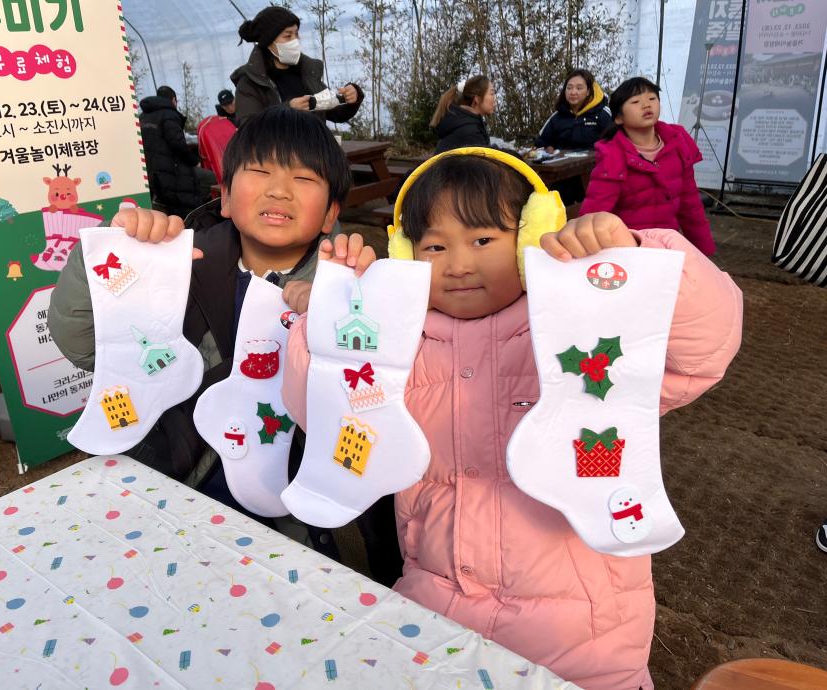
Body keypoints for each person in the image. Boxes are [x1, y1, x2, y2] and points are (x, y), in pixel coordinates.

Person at [279, 148, 743, 689]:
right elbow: (322, 413)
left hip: (583, 637)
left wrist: (632, 260)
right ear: (405, 255)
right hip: (434, 610)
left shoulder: (581, 327)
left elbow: (704, 347)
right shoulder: (398, 343)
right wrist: (328, 323)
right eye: (434, 246)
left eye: (482, 240)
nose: (458, 263)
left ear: (529, 239)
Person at [48, 107, 402, 587]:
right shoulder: (177, 270)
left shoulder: (347, 294)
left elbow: (377, 405)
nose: (279, 189)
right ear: (227, 199)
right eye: (259, 171)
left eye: (303, 177)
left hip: (292, 518)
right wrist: (114, 260)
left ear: (331, 214)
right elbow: (84, 346)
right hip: (177, 494)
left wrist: (356, 310)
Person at [580, 77, 717, 256]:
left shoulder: (678, 144)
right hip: (628, 250)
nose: (646, 105)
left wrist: (704, 253)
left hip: (667, 248)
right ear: (619, 118)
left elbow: (690, 206)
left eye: (652, 98)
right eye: (635, 101)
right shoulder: (612, 157)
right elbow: (594, 215)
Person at [231, 6, 363, 128]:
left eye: (296, 34)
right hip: (279, 154)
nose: (295, 41)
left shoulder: (306, 73)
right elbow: (248, 128)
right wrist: (287, 110)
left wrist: (351, 97)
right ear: (268, 41)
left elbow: (334, 112)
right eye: (288, 36)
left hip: (315, 151)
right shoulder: (251, 83)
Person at [139, 85, 217, 218]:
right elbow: (178, 144)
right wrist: (194, 161)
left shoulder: (143, 116)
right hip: (170, 171)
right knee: (209, 177)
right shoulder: (169, 114)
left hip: (151, 173)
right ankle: (202, 210)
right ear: (174, 100)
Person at [536, 69, 612, 152]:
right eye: (569, 88)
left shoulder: (602, 113)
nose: (573, 92)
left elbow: (615, 143)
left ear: (588, 91)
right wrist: (548, 148)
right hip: (562, 163)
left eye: (579, 88)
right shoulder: (557, 116)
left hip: (595, 163)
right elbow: (541, 142)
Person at [431, 76, 495, 154]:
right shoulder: (469, 134)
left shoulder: (461, 124)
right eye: (491, 93)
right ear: (477, 99)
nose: (494, 98)